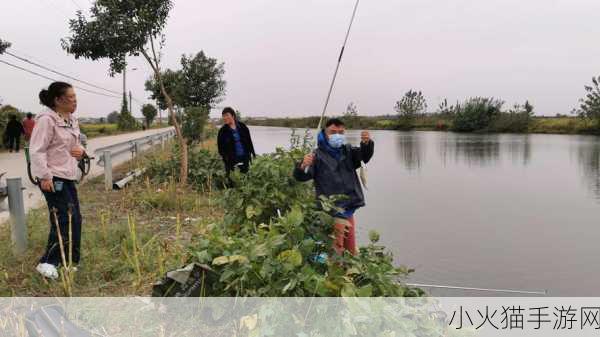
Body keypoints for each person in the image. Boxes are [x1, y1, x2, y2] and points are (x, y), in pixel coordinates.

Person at [293, 118, 374, 256]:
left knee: (350, 249)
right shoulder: (316, 155)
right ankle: (335, 273)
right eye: (333, 132)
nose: (337, 135)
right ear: (325, 133)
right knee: (337, 249)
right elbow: (301, 177)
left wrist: (366, 143)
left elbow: (363, 156)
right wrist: (303, 165)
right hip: (331, 209)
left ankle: (349, 272)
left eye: (341, 132)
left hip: (349, 206)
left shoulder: (347, 150)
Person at [30, 81, 86, 279]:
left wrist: (81, 151)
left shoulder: (72, 119)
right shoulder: (47, 120)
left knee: (75, 218)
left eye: (75, 98)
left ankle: (69, 261)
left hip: (68, 175)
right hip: (52, 177)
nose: (75, 102)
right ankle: (47, 262)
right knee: (61, 218)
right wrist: (44, 176)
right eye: (71, 98)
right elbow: (37, 150)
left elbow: (77, 144)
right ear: (58, 100)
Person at [217, 107, 256, 184]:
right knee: (232, 180)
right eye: (223, 116)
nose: (225, 118)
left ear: (233, 116)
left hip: (244, 158)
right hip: (231, 160)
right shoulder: (222, 131)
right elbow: (220, 148)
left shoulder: (243, 127)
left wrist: (253, 155)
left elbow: (249, 142)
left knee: (245, 178)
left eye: (227, 115)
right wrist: (226, 159)